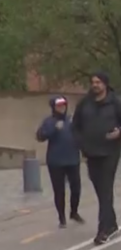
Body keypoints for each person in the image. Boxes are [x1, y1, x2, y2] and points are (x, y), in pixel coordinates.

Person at [72, 71, 121, 245]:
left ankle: (103, 230)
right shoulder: (85, 103)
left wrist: (120, 132)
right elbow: (75, 126)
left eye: (98, 82)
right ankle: (112, 223)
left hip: (110, 152)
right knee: (101, 191)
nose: (95, 85)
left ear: (105, 84)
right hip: (91, 152)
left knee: (105, 189)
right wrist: (80, 143)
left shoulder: (115, 103)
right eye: (93, 82)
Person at [35, 96, 84, 229]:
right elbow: (39, 136)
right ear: (54, 107)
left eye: (63, 105)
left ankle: (74, 212)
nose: (62, 108)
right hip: (56, 161)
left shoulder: (71, 120)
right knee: (59, 191)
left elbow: (80, 135)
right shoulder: (49, 121)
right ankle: (61, 218)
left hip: (73, 159)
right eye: (59, 106)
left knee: (76, 188)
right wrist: (54, 129)